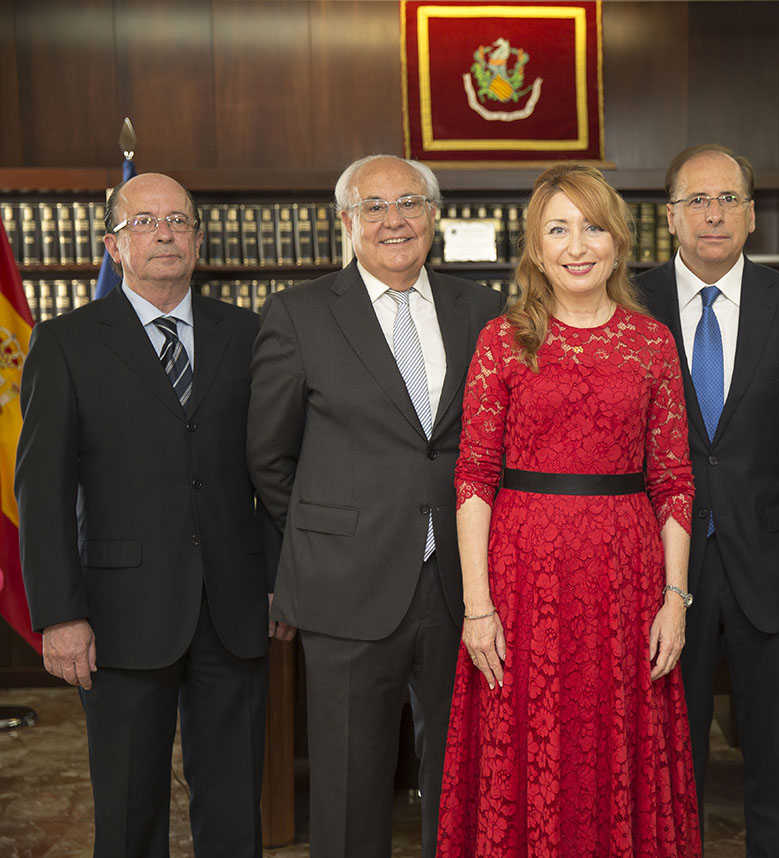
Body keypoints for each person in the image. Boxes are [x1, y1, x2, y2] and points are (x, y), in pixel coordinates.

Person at [437, 164, 701, 857]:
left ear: (618, 241)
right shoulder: (502, 338)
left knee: (615, 743)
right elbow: (474, 477)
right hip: (524, 583)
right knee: (528, 741)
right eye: (558, 229)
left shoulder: (651, 343)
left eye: (592, 228)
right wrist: (476, 606)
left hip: (626, 582)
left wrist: (674, 599)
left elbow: (673, 479)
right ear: (536, 246)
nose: (577, 246)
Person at [16, 172, 280, 858]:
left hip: (233, 608)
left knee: (235, 807)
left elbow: (274, 469)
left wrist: (278, 580)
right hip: (117, 614)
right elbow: (42, 491)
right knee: (130, 810)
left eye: (178, 221)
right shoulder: (65, 342)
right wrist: (59, 614)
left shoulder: (248, 334)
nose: (164, 233)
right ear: (113, 246)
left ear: (198, 238)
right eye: (144, 222)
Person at [247, 154, 504, 858]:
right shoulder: (298, 314)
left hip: (463, 585)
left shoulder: (483, 310)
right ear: (346, 221)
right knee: (348, 783)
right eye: (375, 206)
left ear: (434, 216)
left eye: (410, 203)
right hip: (345, 585)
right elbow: (269, 457)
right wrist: (329, 534)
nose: (395, 220)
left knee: (464, 776)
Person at [636, 144, 779, 857]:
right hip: (659, 562)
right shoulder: (630, 301)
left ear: (753, 216)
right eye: (696, 200)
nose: (712, 214)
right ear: (670, 217)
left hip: (774, 560)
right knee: (665, 750)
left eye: (728, 200)